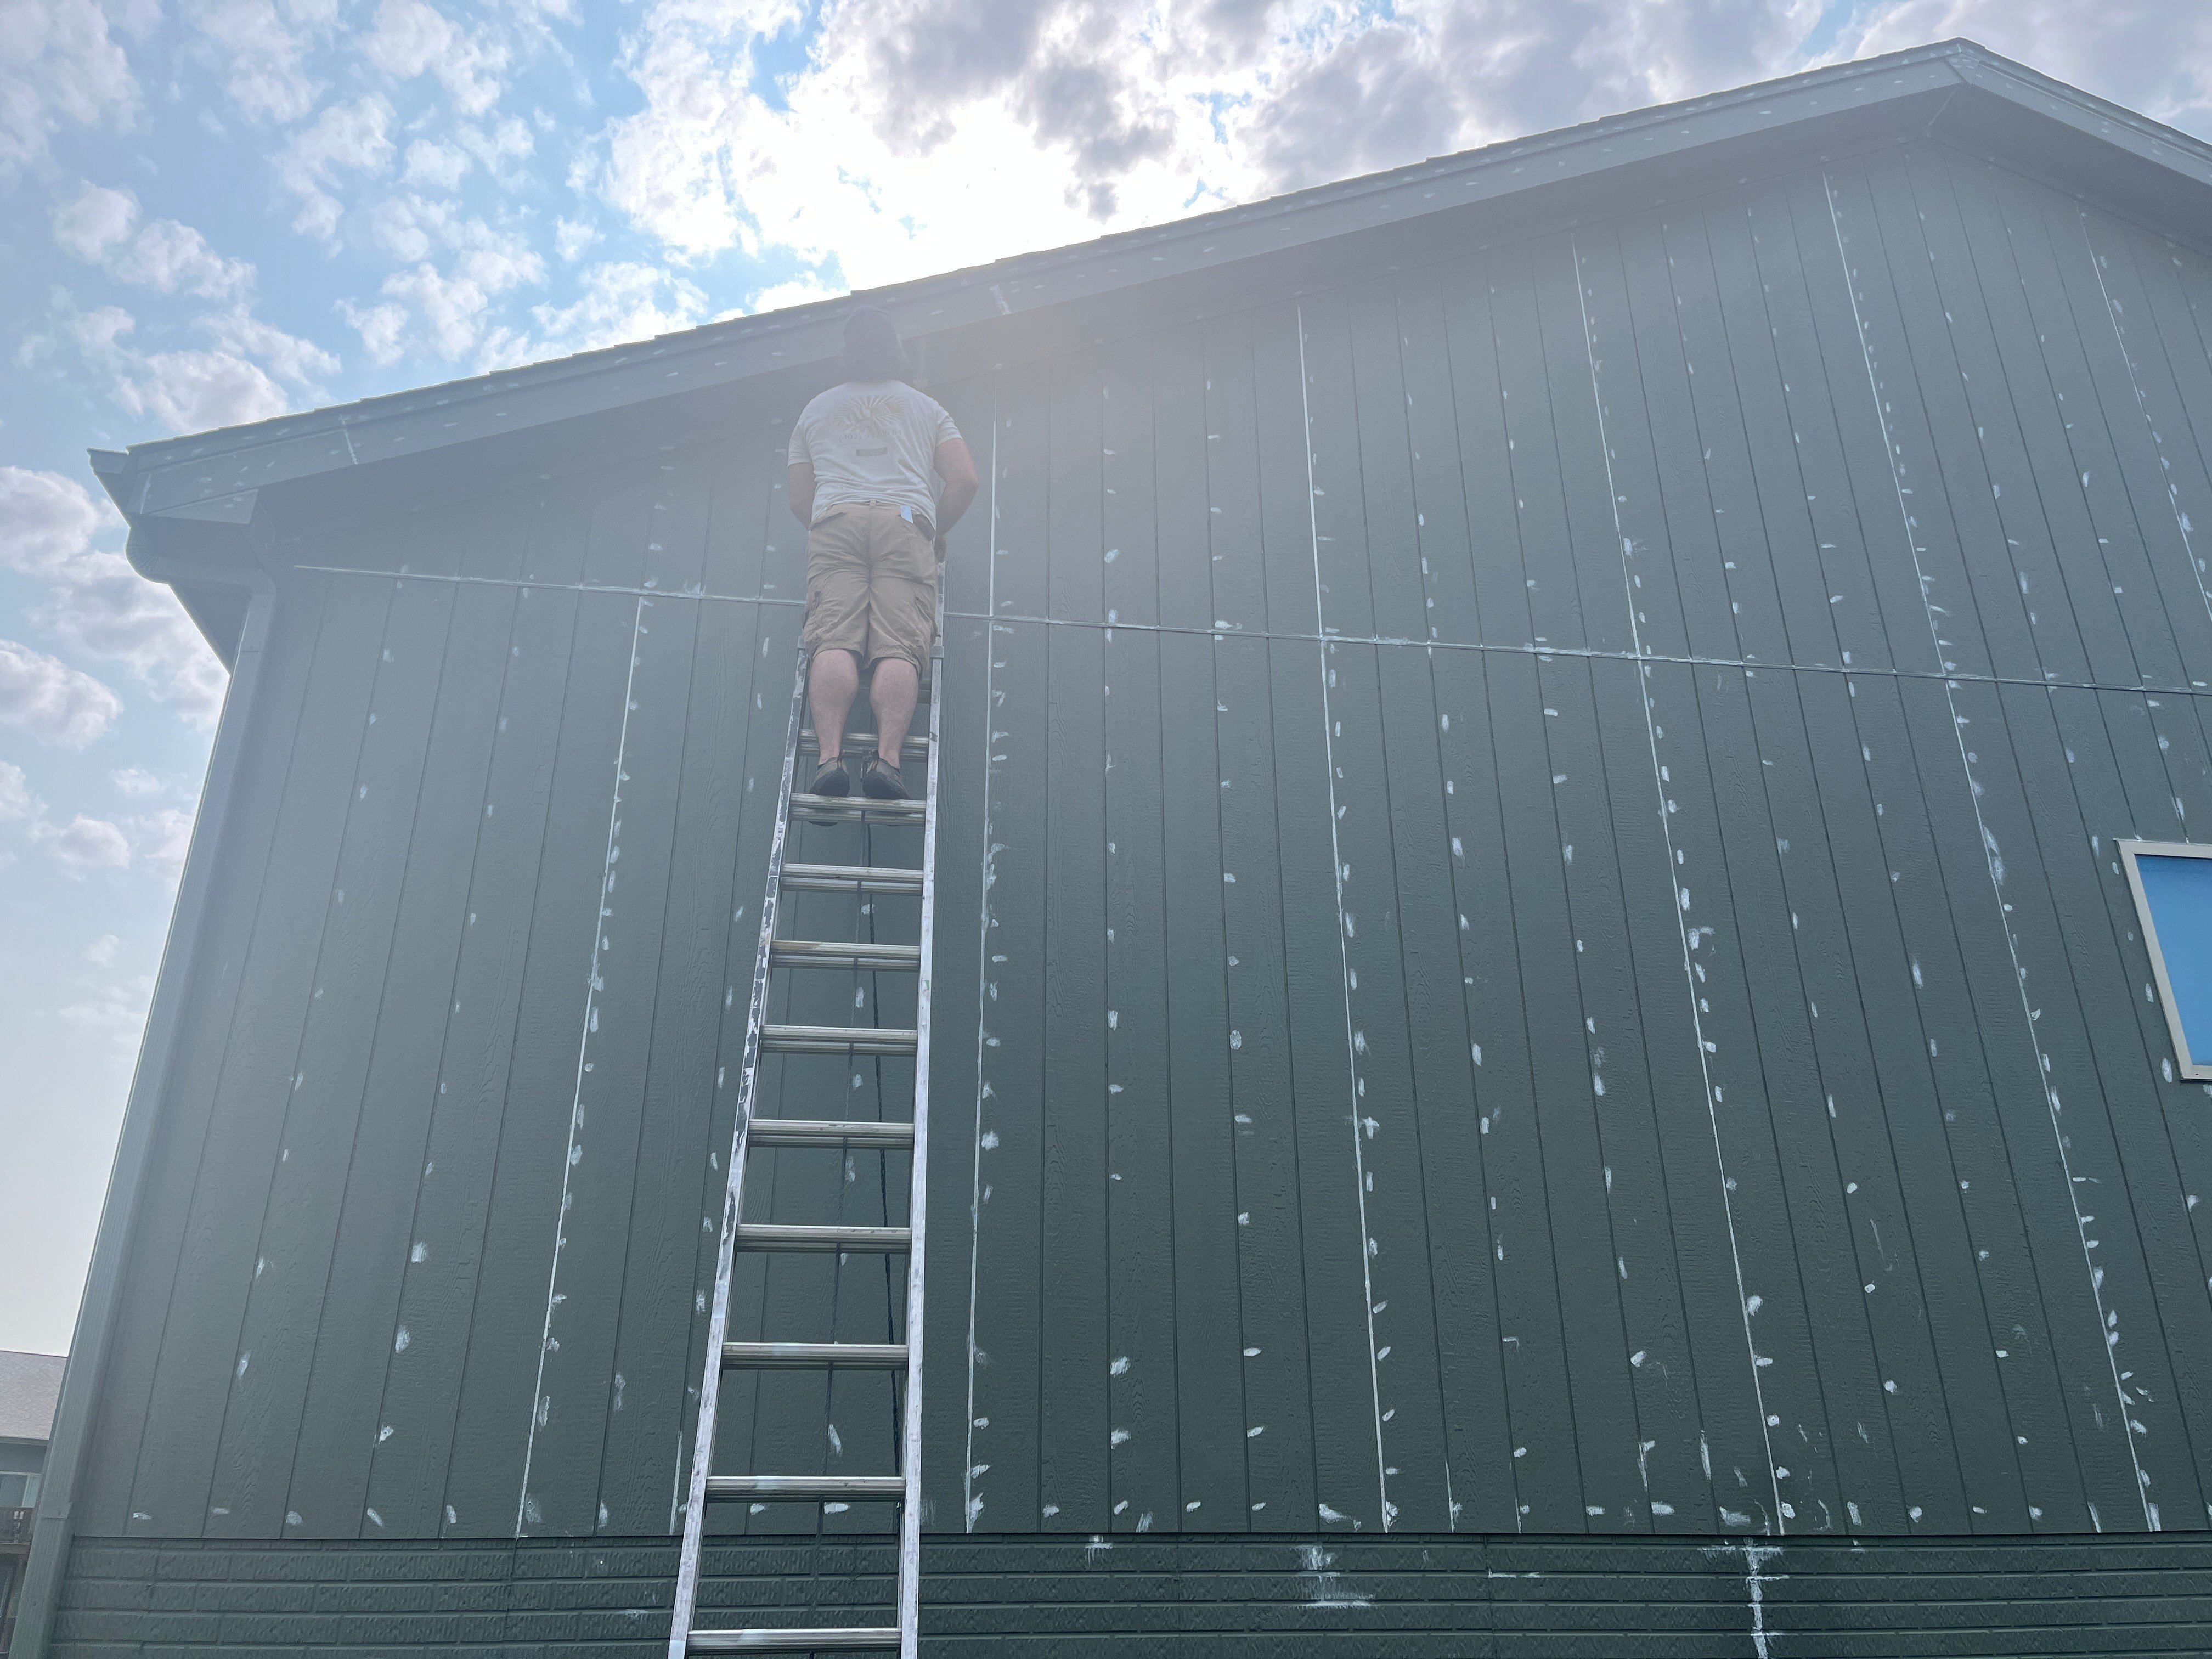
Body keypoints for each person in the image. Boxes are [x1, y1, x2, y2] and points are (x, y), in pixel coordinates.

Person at [787, 308, 979, 801]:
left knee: (832, 640)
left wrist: (833, 527)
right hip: (906, 521)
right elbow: (965, 481)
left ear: (847, 354)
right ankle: (887, 763)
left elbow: (797, 498)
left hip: (835, 521)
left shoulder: (816, 410)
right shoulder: (928, 408)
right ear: (897, 352)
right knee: (899, 646)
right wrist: (936, 531)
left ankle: (830, 759)